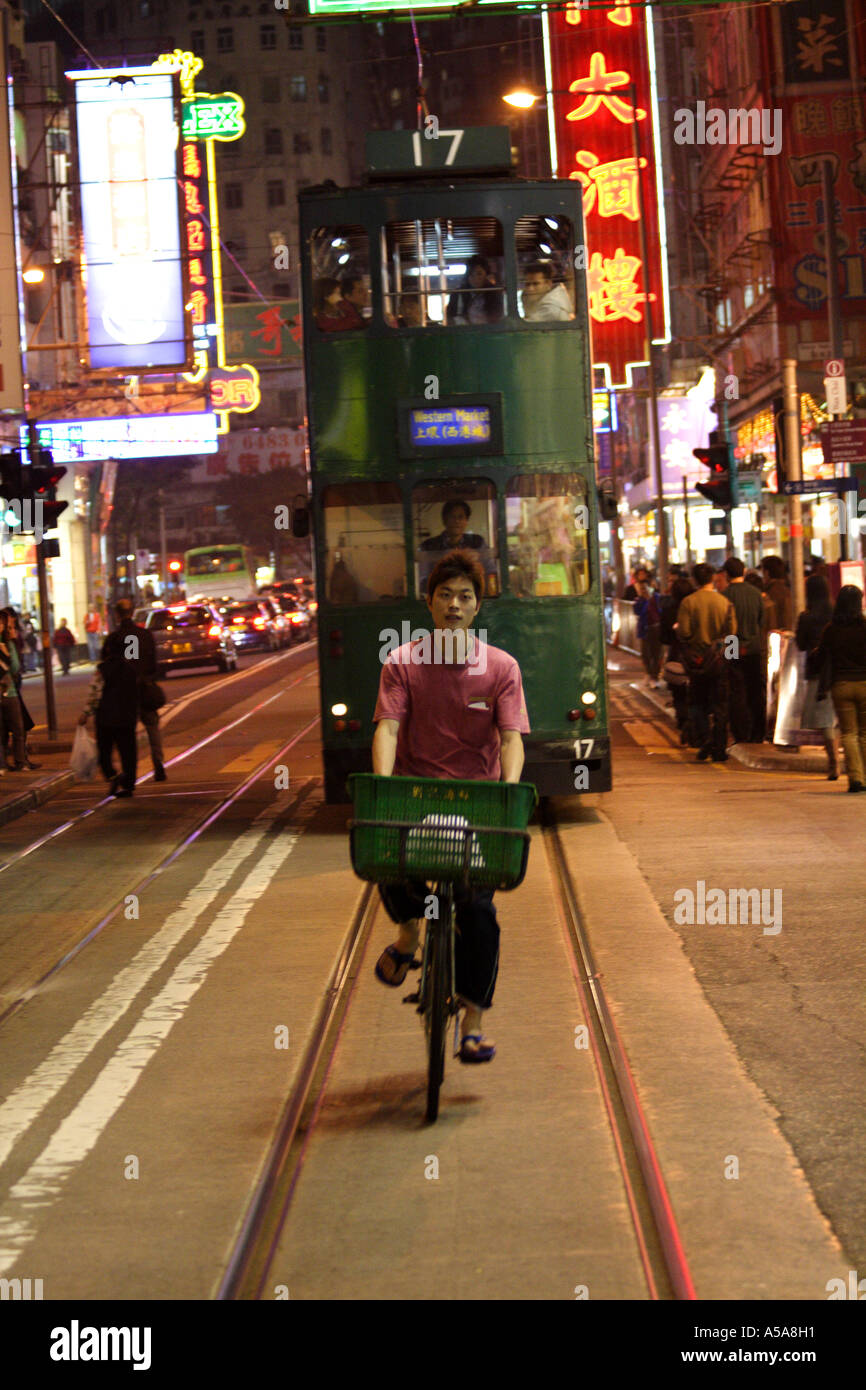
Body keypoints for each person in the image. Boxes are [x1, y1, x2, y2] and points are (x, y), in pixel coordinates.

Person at [371, 549, 529, 1064]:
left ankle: (473, 1022)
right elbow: (388, 729)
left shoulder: (501, 667)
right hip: (417, 802)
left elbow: (511, 740)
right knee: (385, 860)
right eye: (445, 595)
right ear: (429, 603)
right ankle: (408, 934)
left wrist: (508, 789)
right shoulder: (402, 662)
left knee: (479, 912)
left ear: (478, 606)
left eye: (466, 596)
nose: (455, 605)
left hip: (478, 808)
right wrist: (383, 788)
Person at [79, 599, 146, 796]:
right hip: (126, 713)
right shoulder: (131, 663)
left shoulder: (103, 669)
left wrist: (86, 713)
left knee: (105, 752)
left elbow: (95, 692)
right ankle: (129, 783)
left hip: (106, 717)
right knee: (128, 750)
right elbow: (141, 671)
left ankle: (113, 775)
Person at [676, 561, 737, 762]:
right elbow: (732, 634)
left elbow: (684, 632)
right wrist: (730, 659)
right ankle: (718, 747)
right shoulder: (725, 603)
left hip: (697, 660)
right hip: (719, 661)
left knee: (697, 703)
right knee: (720, 705)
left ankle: (705, 740)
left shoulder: (688, 602)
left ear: (694, 580)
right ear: (712, 579)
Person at [813, 585, 866, 793]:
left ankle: (855, 778)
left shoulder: (831, 630)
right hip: (864, 683)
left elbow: (821, 658)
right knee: (864, 733)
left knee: (849, 733)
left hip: (841, 685)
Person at [795, 573, 838, 779]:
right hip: (841, 672)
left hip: (817, 673)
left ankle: (833, 762)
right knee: (841, 719)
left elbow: (800, 644)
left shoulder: (806, 617)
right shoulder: (839, 614)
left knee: (825, 720)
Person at [722, 557, 767, 744]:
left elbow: (724, 625)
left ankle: (740, 732)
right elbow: (761, 621)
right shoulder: (756, 594)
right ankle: (758, 732)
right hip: (754, 644)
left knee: (735, 688)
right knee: (756, 689)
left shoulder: (725, 594)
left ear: (726, 574)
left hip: (732, 642)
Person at [0, 610, 39, 771]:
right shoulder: (5, 644)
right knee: (9, 730)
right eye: (6, 624)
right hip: (6, 692)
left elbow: (15, 667)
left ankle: (17, 762)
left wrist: (11, 645)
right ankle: (11, 763)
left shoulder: (8, 643)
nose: (8, 627)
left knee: (14, 729)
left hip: (11, 691)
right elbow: (12, 667)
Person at [659, 573, 695, 742]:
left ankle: (684, 724)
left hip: (676, 656)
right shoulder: (697, 607)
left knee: (678, 693)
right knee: (696, 693)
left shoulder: (668, 610)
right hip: (698, 655)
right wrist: (731, 654)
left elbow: (663, 637)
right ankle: (694, 727)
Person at [446, 254, 503, 325]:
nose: (475, 278)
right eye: (471, 274)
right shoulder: (458, 294)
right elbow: (451, 318)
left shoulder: (494, 293)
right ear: (467, 276)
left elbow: (498, 318)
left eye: (479, 274)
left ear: (486, 275)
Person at [761, 555, 793, 631]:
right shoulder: (789, 590)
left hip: (774, 636)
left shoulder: (769, 593)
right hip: (789, 634)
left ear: (767, 572)